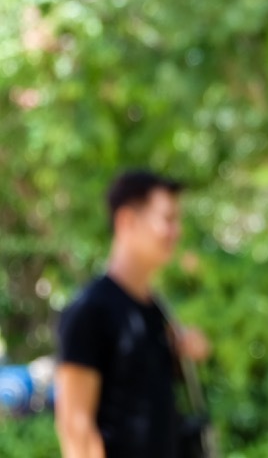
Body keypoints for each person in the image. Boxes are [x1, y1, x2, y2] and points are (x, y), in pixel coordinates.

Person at [55, 170, 211, 458]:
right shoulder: (90, 311)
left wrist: (186, 351)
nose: (176, 232)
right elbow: (76, 430)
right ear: (127, 221)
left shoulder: (157, 309)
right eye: (167, 219)